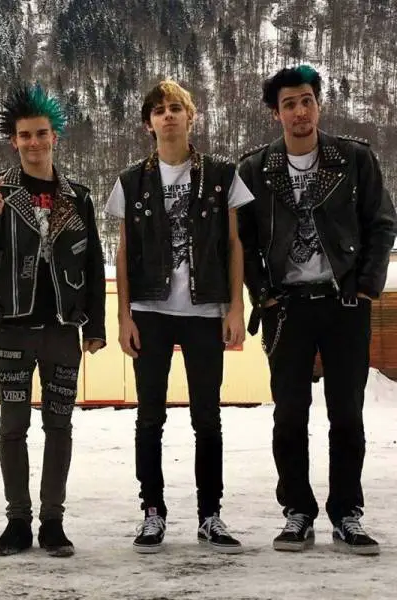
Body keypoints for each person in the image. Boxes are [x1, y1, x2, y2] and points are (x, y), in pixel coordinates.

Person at [238, 65, 397, 555]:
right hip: (286, 307)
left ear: (318, 105)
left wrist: (367, 286)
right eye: (289, 104)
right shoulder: (256, 169)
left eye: (307, 100)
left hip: (344, 302)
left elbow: (382, 222)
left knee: (346, 413)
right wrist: (262, 293)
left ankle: (347, 512)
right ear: (276, 113)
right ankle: (298, 511)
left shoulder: (353, 159)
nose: (300, 112)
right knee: (289, 415)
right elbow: (241, 240)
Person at [0, 84, 106, 558]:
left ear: (55, 136)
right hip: (12, 329)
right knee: (13, 426)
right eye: (25, 135)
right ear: (13, 140)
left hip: (62, 330)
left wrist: (95, 327)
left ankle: (53, 522)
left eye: (42, 133)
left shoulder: (77, 197)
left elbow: (93, 264)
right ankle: (18, 521)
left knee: (59, 426)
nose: (34, 142)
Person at [105, 80, 252, 554]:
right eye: (159, 110)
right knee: (149, 417)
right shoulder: (131, 181)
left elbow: (234, 243)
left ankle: (210, 514)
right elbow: (123, 253)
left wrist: (235, 306)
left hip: (205, 309)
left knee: (207, 418)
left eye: (175, 108)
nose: (167, 115)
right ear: (148, 124)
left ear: (191, 116)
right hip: (150, 310)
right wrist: (124, 316)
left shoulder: (222, 175)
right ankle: (152, 512)